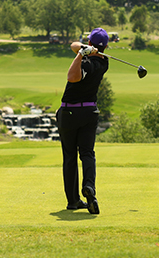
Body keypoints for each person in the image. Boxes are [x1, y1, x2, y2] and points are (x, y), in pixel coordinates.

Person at [56, 28, 109, 214]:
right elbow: (73, 44)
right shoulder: (104, 61)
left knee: (70, 157)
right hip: (89, 112)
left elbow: (72, 76)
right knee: (87, 153)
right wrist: (84, 49)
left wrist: (80, 54)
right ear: (106, 46)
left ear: (90, 42)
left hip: (69, 112)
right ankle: (89, 188)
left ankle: (73, 201)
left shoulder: (86, 63)